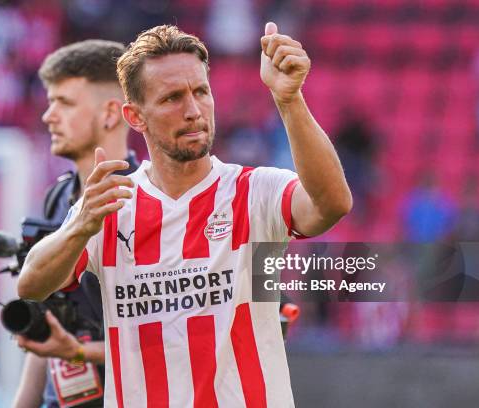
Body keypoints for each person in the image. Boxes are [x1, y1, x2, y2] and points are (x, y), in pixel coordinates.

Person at [18, 22, 352, 407]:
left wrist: (289, 100)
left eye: (201, 92)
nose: (193, 110)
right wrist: (79, 226)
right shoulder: (113, 204)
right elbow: (32, 285)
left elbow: (332, 204)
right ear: (135, 116)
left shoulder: (253, 191)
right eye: (172, 98)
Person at [12, 39, 138, 408]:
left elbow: (177, 343)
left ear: (111, 114)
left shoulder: (146, 199)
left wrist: (82, 353)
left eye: (63, 103)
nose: (48, 116)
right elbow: (47, 328)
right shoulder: (58, 197)